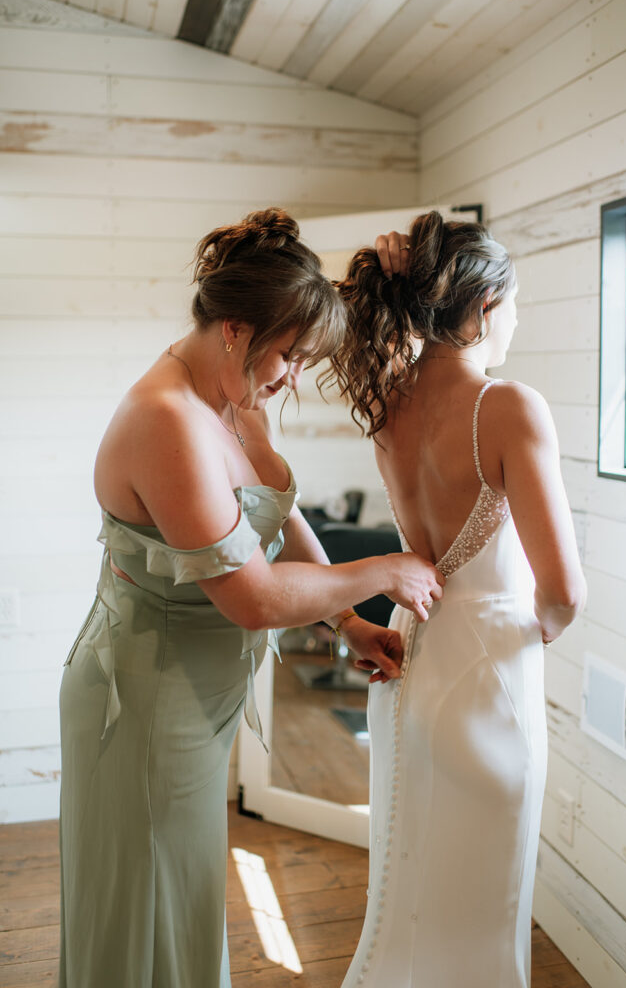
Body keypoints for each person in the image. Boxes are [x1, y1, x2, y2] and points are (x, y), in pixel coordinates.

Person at [58, 208, 444, 988]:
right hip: (141, 705)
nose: (293, 377)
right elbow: (253, 597)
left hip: (186, 702)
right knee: (146, 904)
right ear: (235, 329)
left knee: (183, 896)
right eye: (290, 355)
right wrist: (382, 572)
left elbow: (275, 516)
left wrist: (347, 621)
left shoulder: (221, 395)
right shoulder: (166, 418)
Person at [328, 212, 587, 988]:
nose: (518, 320)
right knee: (484, 903)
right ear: (480, 311)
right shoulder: (507, 408)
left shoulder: (387, 405)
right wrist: (529, 632)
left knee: (408, 892)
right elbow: (565, 592)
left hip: (413, 667)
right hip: (489, 681)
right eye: (514, 303)